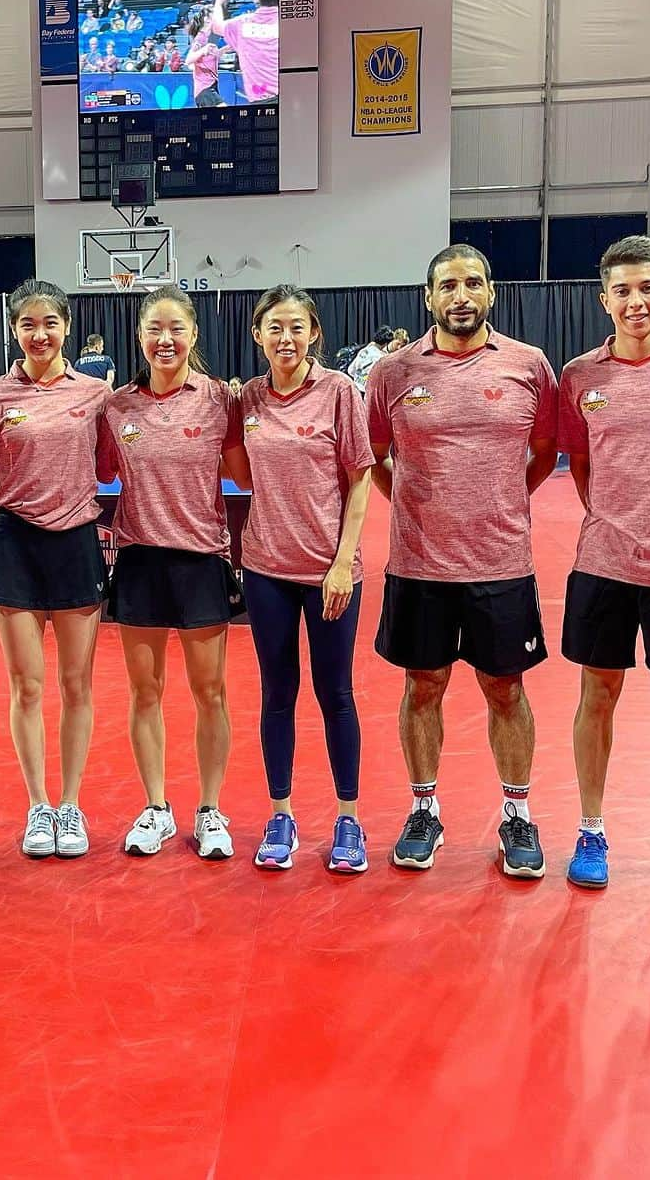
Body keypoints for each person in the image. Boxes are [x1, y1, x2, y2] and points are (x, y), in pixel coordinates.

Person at [366, 244, 558, 878]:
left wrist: (495, 503)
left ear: (492, 291)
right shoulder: (393, 373)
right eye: (448, 285)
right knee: (423, 686)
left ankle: (517, 815)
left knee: (506, 688)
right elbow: (375, 457)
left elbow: (544, 452)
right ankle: (425, 810)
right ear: (429, 298)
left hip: (501, 564)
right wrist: (421, 510)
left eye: (473, 282)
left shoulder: (529, 367)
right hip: (418, 566)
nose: (461, 295)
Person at [559, 235, 650, 901]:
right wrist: (623, 521)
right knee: (599, 694)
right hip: (605, 564)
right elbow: (582, 468)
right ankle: (591, 830)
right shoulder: (581, 376)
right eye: (622, 290)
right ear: (604, 299)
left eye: (646, 287)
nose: (636, 301)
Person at [95, 286, 250, 861]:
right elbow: (95, 470)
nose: (166, 340)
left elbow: (243, 470)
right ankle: (156, 808)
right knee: (146, 692)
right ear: (139, 336)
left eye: (176, 328)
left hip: (201, 559)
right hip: (138, 561)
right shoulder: (116, 408)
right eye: (154, 329)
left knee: (211, 692)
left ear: (193, 335)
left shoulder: (218, 400)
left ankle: (210, 810)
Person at [0, 281, 111, 859]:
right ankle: (38, 807)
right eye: (27, 324)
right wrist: (20, 499)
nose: (39, 334)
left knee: (76, 685)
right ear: (13, 330)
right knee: (26, 686)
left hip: (75, 545)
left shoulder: (96, 395)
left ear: (67, 326)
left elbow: (106, 467)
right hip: (15, 547)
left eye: (49, 322)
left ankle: (70, 806)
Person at [239, 286, 374, 873]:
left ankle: (348, 818)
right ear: (258, 336)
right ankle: (281, 814)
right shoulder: (247, 398)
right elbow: (237, 469)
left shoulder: (340, 392)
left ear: (313, 332)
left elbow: (361, 478)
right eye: (275, 328)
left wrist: (343, 561)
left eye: (296, 327)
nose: (286, 338)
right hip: (266, 568)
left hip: (329, 573)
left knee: (335, 693)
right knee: (277, 695)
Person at [212, 0, 279, 104]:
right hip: (293, 96)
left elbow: (216, 26)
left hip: (261, 101)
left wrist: (218, 2)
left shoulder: (242, 24)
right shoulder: (290, 24)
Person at [347, 326, 408, 395]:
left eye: (402, 346)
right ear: (388, 342)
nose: (399, 347)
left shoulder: (365, 350)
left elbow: (350, 370)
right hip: (367, 393)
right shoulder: (381, 358)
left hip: (355, 390)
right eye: (398, 344)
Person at [185, 10, 225, 108]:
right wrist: (203, 50)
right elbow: (188, 60)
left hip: (212, 85)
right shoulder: (200, 37)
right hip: (204, 88)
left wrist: (225, 50)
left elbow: (211, 58)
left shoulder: (211, 38)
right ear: (207, 19)